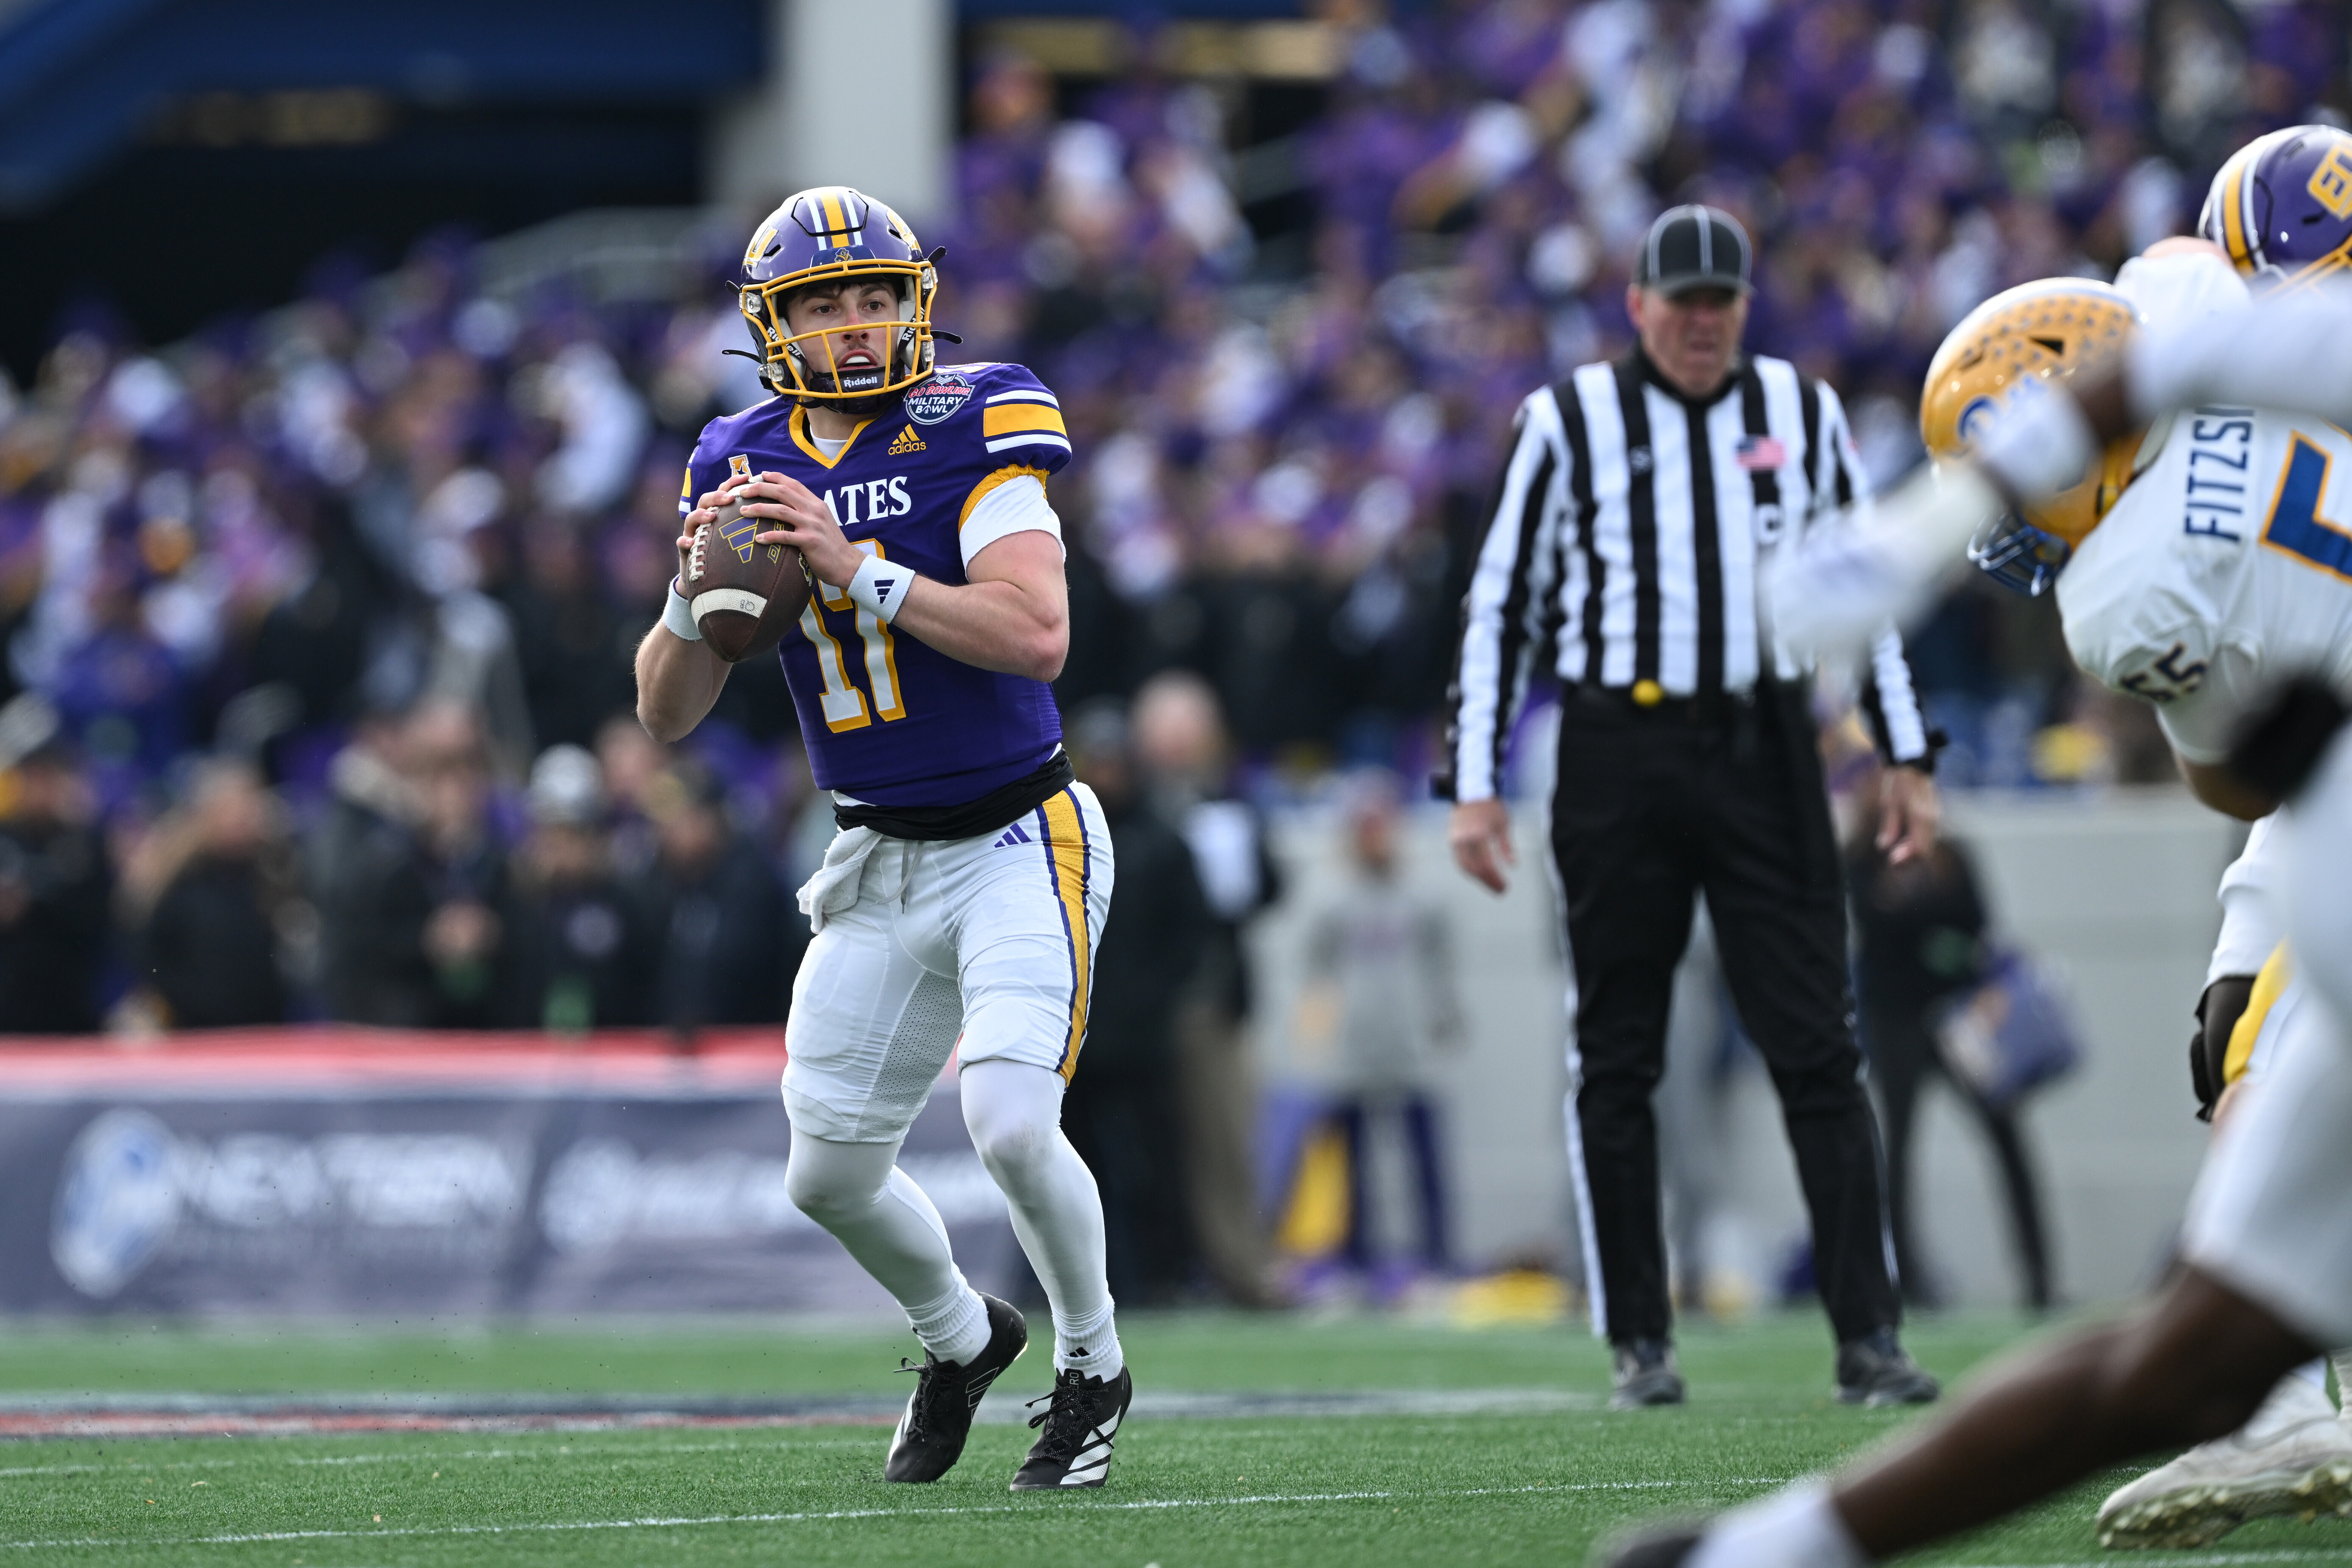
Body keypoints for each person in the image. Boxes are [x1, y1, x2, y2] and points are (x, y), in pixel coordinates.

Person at [1595, 220, 2352, 1566]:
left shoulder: (2127, 593)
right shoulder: (2208, 317)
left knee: (2206, 1307)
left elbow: (2232, 782)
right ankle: (1758, 1554)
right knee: (2211, 1318)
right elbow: (2177, 333)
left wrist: (1913, 534)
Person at [634, 186, 1128, 1490]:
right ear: (773, 326)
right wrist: (694, 601)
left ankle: (1093, 1365)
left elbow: (1036, 637)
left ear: (913, 302)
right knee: (828, 1174)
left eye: (871, 297)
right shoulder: (737, 457)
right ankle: (962, 1340)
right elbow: (666, 713)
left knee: (1013, 1125)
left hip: (1020, 833)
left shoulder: (981, 418)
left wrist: (859, 569)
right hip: (875, 855)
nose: (854, 327)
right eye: (821, 305)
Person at [1439, 204, 1942, 1410]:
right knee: (1617, 1052)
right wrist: (1474, 780)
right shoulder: (1568, 422)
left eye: (1723, 303)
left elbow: (1859, 592)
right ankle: (1638, 1339)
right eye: (1684, 303)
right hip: (1620, 743)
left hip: (1766, 743)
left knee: (1818, 1043)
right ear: (1638, 304)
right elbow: (1502, 602)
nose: (1703, 323)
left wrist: (1904, 755)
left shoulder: (1801, 413)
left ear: (1745, 307)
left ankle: (1867, 1337)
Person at [1844, 766, 2052, 1314]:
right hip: (1898, 1023)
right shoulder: (1864, 859)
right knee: (1899, 1152)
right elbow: (1877, 928)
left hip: (1962, 1021)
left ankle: (2039, 1277)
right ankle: (1906, 1281)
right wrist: (1925, 919)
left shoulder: (1954, 855)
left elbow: (1975, 928)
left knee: (2008, 1141)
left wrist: (1917, 913)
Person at [1131, 669, 1285, 1308]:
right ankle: (1168, 1267)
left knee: (1225, 1140)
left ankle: (1240, 1267)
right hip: (1144, 1006)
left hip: (1211, 997)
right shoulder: (1131, 805)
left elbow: (1270, 887)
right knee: (1150, 1146)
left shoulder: (1230, 800)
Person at [1062, 701, 1210, 1305]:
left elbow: (1191, 934)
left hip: (1139, 1039)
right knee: (1077, 1162)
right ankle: (1089, 1278)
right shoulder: (1065, 839)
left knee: (1155, 1160)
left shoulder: (1163, 842)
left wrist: (1153, 1001)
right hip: (1078, 1035)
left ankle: (1164, 1272)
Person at [1299, 769, 1465, 1286]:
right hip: (1355, 1046)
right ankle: (1359, 1255)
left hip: (1411, 1043)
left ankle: (1437, 1252)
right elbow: (1316, 973)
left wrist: (1445, 1018)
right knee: (1356, 1162)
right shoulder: (1332, 899)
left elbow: (1442, 966)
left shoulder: (1423, 896)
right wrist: (1317, 1034)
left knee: (1424, 1155)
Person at [0, 696, 111, 1034]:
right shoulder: (6, 838)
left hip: (70, 1006)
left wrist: (39, 900)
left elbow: (100, 923)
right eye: (31, 775)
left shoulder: (84, 843)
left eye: (48, 774)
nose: (40, 786)